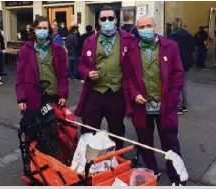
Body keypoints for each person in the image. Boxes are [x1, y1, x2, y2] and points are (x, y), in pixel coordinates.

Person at [128, 15, 185, 186]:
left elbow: (178, 73)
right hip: (142, 106)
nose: (145, 29)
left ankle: (177, 177)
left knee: (171, 143)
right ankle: (152, 171)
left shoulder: (170, 46)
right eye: (141, 27)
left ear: (155, 25)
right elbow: (128, 77)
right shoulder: (131, 49)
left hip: (165, 106)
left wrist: (173, 96)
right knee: (145, 143)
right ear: (137, 30)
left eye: (148, 25)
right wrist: (134, 93)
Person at [74, 6, 135, 150]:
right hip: (95, 92)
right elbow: (81, 65)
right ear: (99, 22)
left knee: (117, 129)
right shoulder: (89, 41)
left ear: (116, 20)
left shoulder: (128, 39)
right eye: (103, 19)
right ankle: (88, 159)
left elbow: (134, 66)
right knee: (89, 128)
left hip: (116, 92)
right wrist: (87, 73)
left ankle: (117, 158)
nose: (107, 21)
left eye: (110, 18)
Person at [16, 16, 68, 114]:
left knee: (52, 126)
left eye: (45, 28)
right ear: (34, 29)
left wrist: (63, 94)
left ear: (49, 30)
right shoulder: (25, 49)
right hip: (32, 95)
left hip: (53, 95)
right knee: (33, 126)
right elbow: (20, 75)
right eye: (39, 28)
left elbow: (63, 74)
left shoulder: (58, 49)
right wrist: (21, 98)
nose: (42, 30)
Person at [168, 18, 194, 115]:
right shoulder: (190, 36)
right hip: (187, 62)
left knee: (176, 84)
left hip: (176, 62)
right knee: (184, 83)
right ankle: (184, 105)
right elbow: (192, 49)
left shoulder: (172, 36)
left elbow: (169, 51)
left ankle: (178, 107)